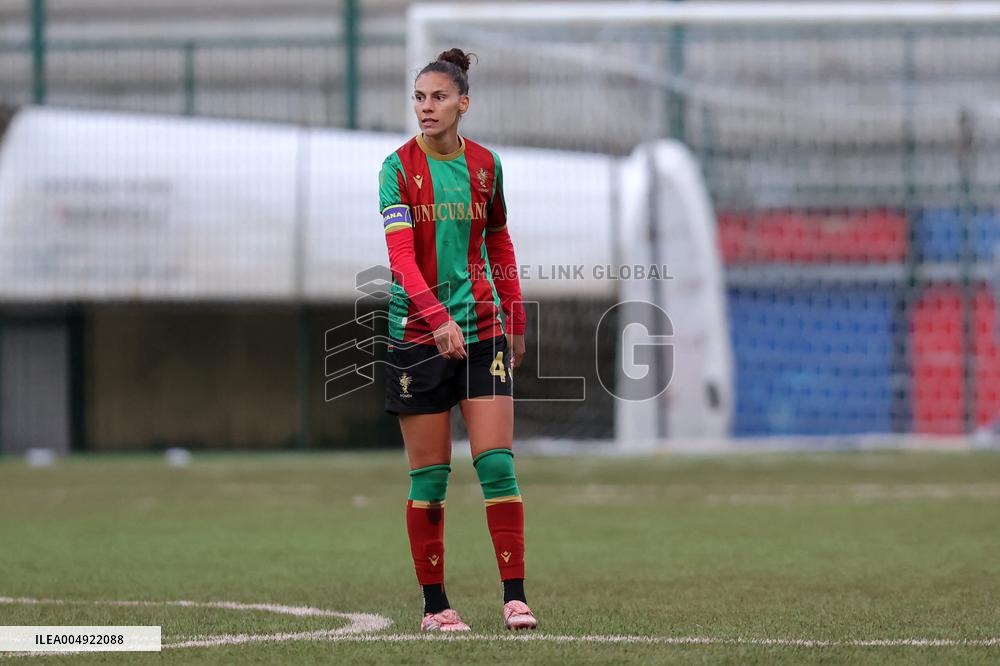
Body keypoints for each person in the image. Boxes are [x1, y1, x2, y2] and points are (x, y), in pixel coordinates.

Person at [378, 48, 536, 632]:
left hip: (483, 331)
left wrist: (515, 317)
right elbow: (401, 260)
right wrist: (437, 318)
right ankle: (435, 607)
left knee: (497, 466)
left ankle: (515, 598)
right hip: (418, 337)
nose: (426, 107)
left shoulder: (487, 166)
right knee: (431, 478)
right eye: (419, 98)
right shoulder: (397, 169)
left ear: (463, 104)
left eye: (438, 97)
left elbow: (499, 241)